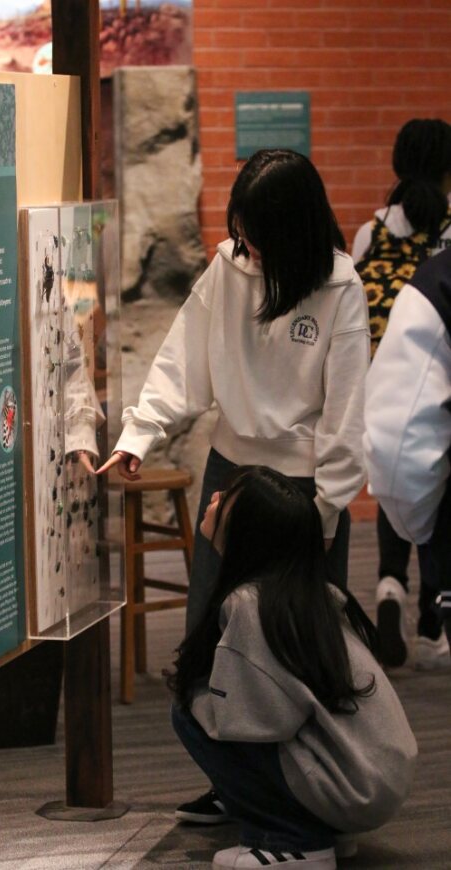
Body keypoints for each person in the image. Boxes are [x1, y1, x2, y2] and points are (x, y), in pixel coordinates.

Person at [98, 148, 369, 822]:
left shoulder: (338, 287)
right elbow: (181, 362)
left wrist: (325, 516)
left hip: (304, 494)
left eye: (254, 234)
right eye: (239, 231)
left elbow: (346, 418)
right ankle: (236, 787)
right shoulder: (228, 269)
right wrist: (138, 436)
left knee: (305, 650)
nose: (243, 245)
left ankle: (316, 800)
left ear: (292, 229)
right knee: (210, 645)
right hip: (232, 475)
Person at [167, 466, 416, 870]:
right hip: (374, 776)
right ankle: (320, 827)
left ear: (247, 531)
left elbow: (258, 723)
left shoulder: (250, 605)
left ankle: (293, 840)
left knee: (187, 711)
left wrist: (201, 701)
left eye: (227, 497)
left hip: (353, 784)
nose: (213, 497)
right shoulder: (310, 593)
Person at [352, 118, 451, 670]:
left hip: (383, 374)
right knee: (440, 484)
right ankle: (435, 618)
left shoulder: (373, 230)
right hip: (441, 370)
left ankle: (390, 583)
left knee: (395, 472)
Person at [364, 247, 451, 650]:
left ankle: (391, 584)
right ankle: (429, 628)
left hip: (399, 371)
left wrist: (424, 529)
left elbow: (399, 449)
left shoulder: (375, 235)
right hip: (417, 371)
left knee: (408, 472)